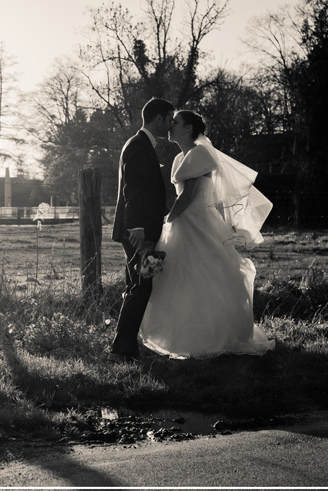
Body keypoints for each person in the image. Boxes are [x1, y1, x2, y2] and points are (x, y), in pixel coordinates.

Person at [139, 110, 275, 359]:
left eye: (175, 122)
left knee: (205, 277)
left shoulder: (199, 154)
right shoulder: (182, 157)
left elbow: (189, 195)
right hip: (187, 221)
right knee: (185, 280)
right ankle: (187, 336)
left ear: (188, 128)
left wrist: (167, 220)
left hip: (197, 223)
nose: (170, 126)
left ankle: (213, 336)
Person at [109, 97, 174, 363]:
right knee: (141, 287)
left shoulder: (141, 144)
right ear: (158, 118)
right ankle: (121, 350)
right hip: (138, 232)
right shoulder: (138, 145)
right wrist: (137, 228)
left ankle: (126, 348)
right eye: (169, 119)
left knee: (136, 285)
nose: (171, 124)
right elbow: (132, 189)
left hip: (140, 229)